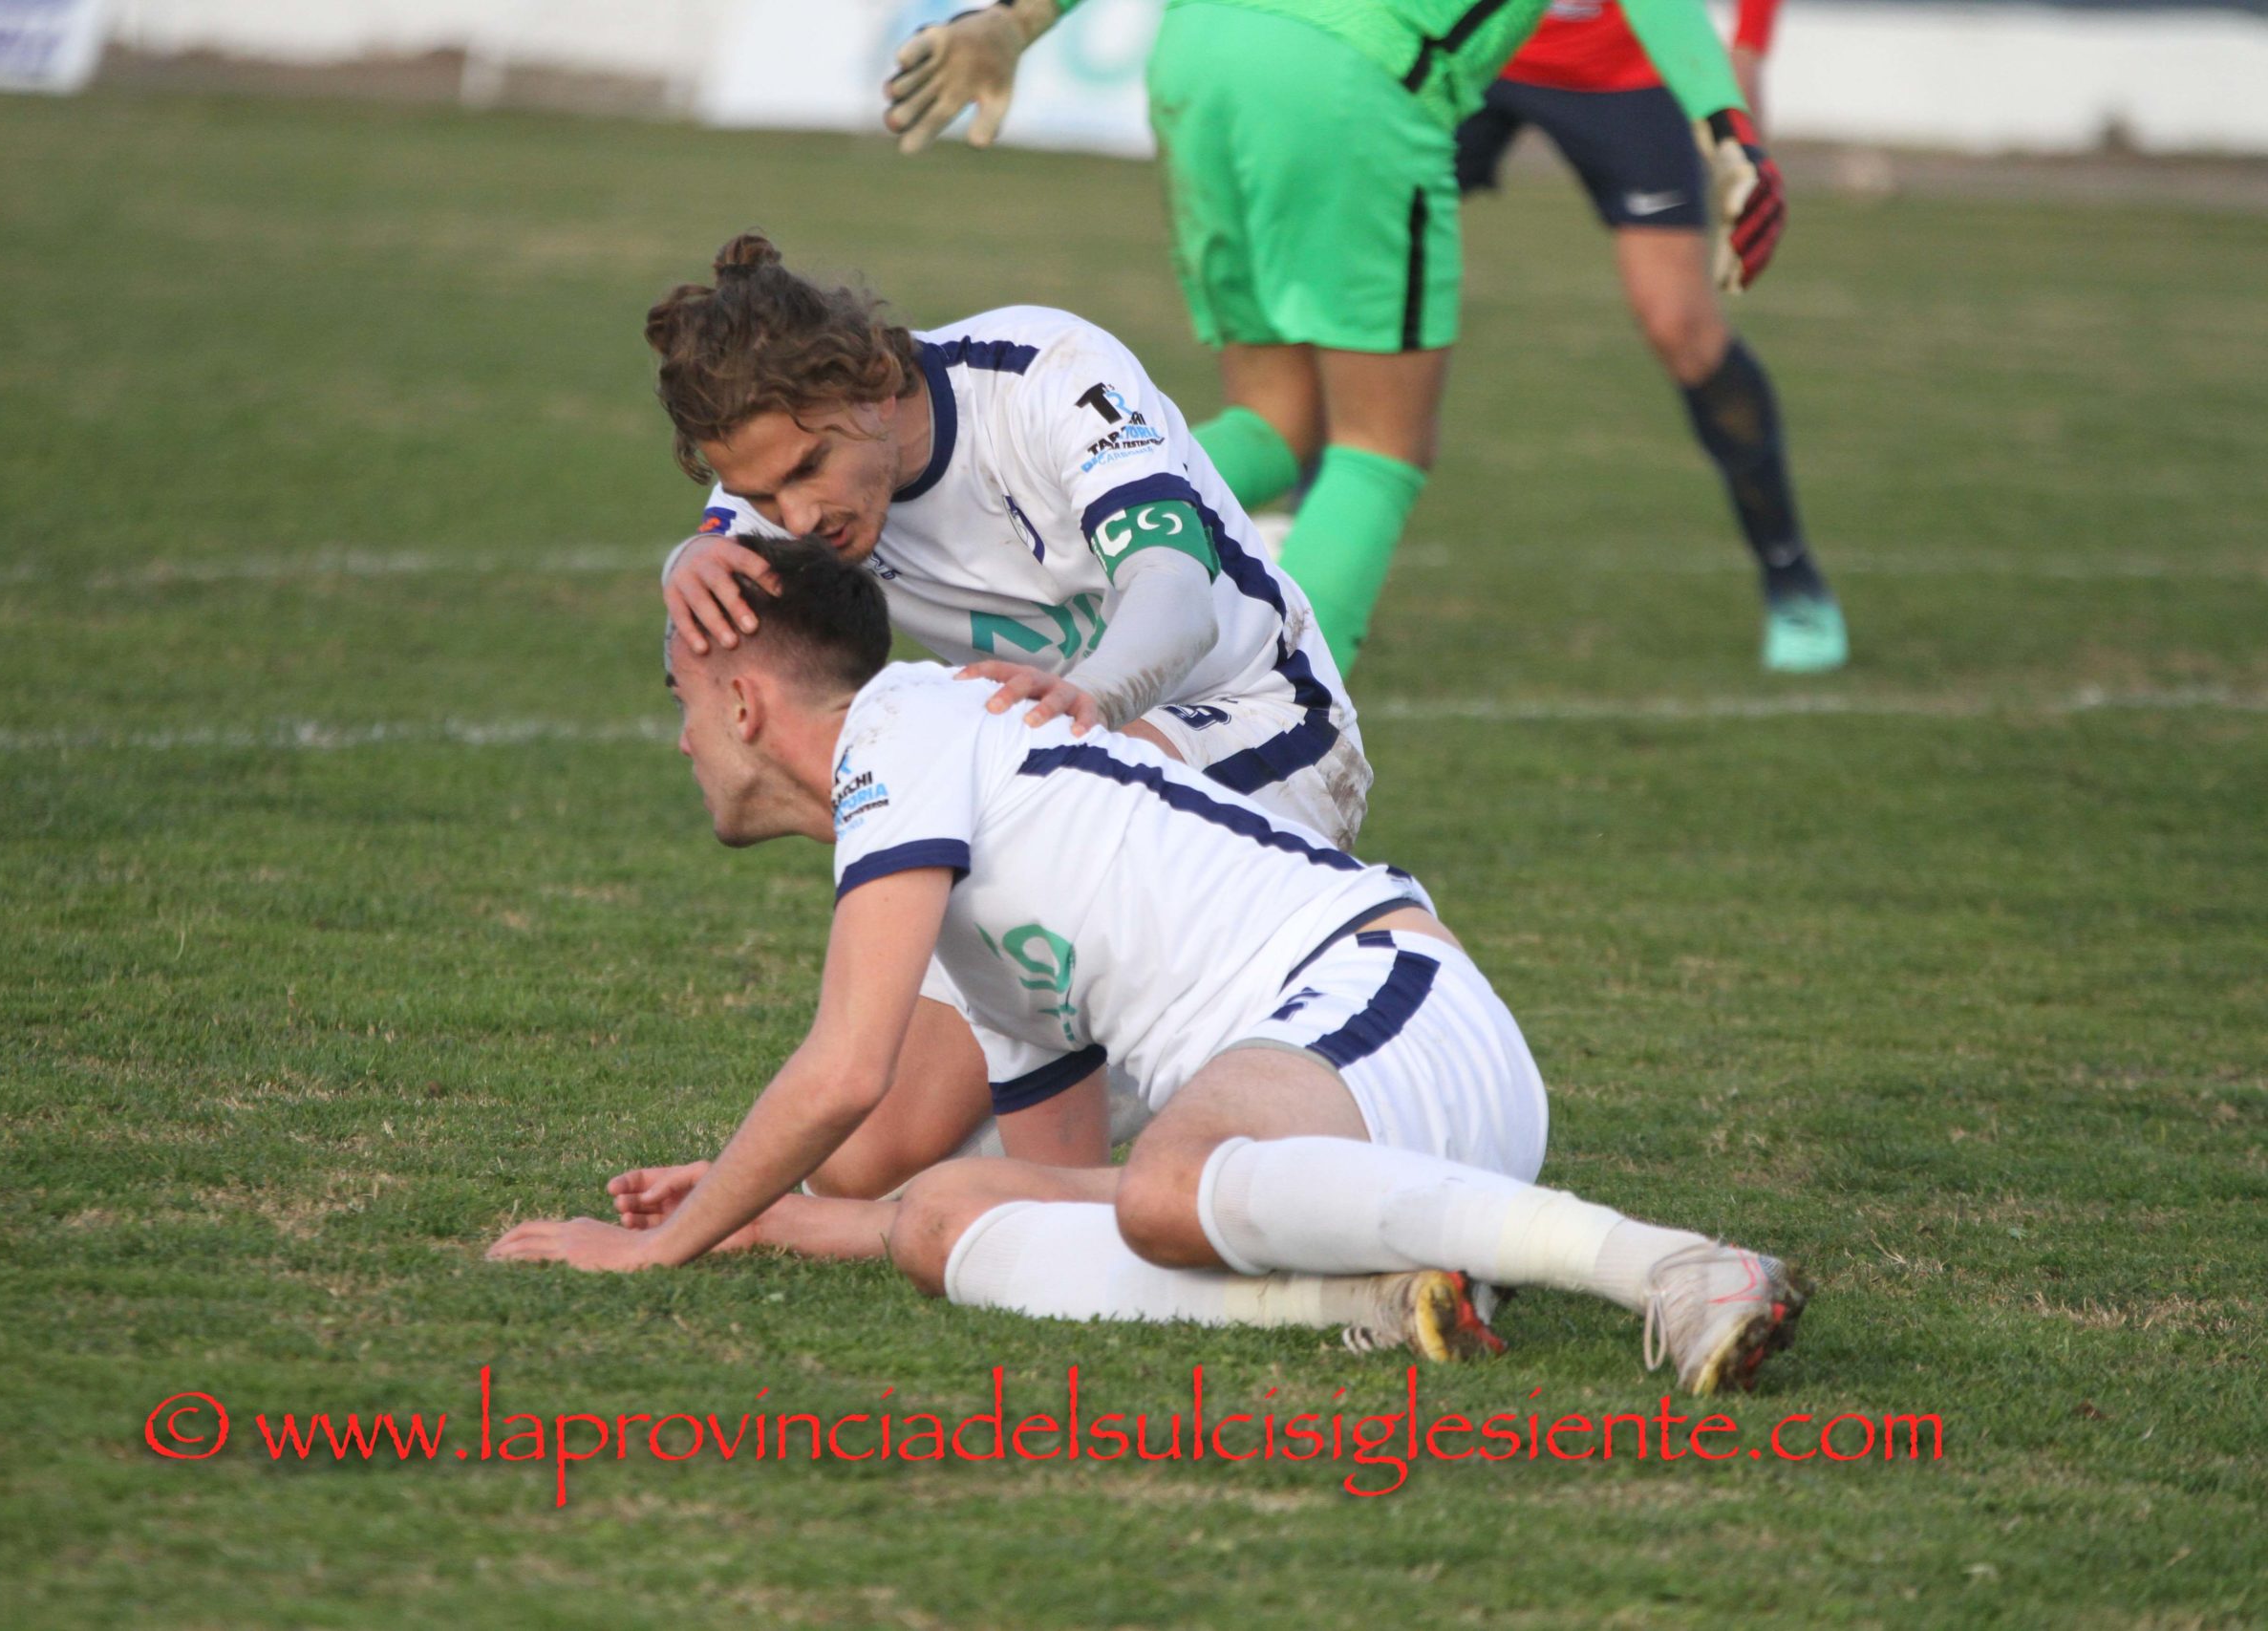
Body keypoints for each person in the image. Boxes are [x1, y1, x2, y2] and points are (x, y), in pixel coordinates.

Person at [488, 538, 1811, 1394]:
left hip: (1391, 1006)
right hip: (1337, 1133)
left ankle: (1671, 1265)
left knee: (1168, 1178)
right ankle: (1365, 1294)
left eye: (679, 702)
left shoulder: (898, 726)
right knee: (952, 1214)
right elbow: (1066, 1185)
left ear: (739, 701)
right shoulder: (962, 865)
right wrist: (769, 1213)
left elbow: (846, 1068)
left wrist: (651, 1253)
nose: (681, 742)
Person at [648, 232, 1373, 1199]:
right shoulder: (776, 486)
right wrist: (686, 558)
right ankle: (1064, 1144)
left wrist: (1096, 698)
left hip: (1256, 725)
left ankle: (1211, 1088)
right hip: (1052, 784)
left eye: (809, 468)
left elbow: (1175, 593)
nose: (796, 517)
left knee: (1031, 848)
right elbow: (721, 552)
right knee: (863, 1164)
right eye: (759, 496)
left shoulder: (1048, 372)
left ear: (874, 385)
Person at [884, 0, 1784, 672]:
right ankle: (1275, 725)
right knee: (1380, 450)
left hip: (1203, 51)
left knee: (1276, 424)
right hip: (1350, 67)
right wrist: (1729, 128)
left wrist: (1018, 17)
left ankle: (1028, 539)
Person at [1455, 0, 1846, 671]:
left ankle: (1792, 577)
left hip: (1627, 67)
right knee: (1345, 274)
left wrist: (1746, 53)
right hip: (1469, 47)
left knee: (1682, 328)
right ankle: (1300, 535)